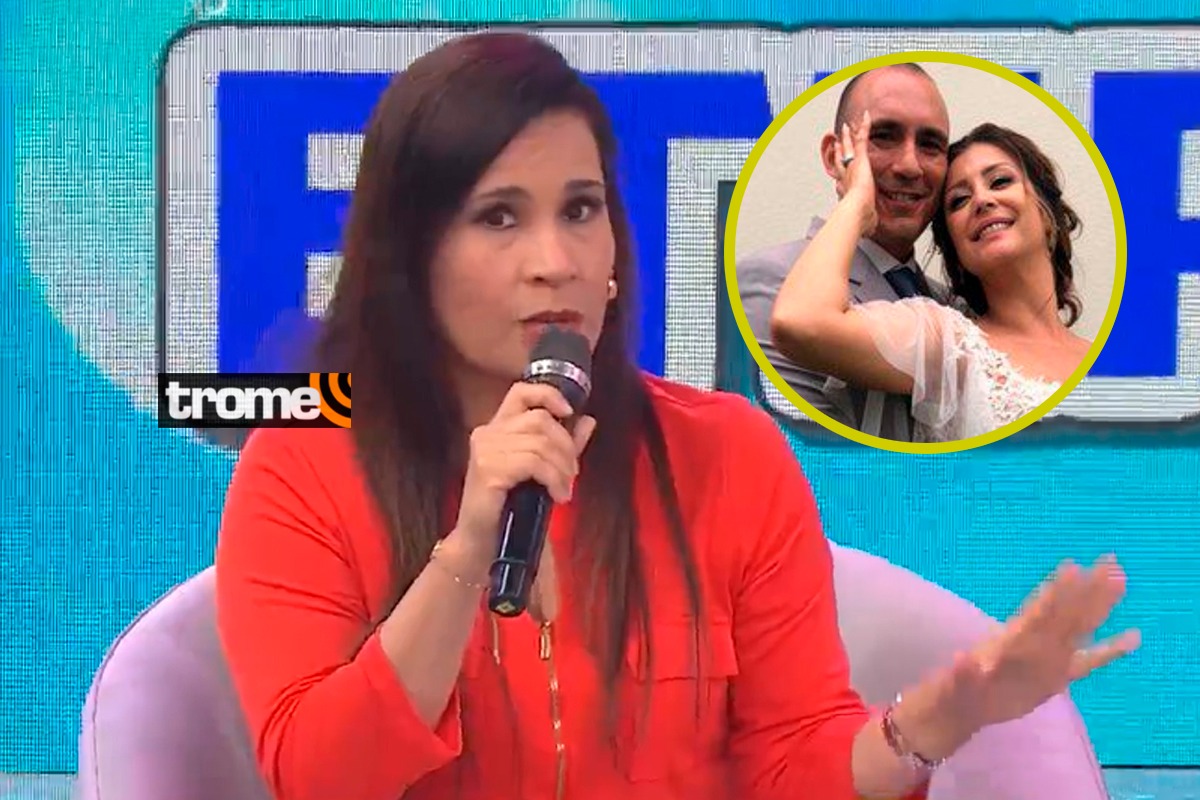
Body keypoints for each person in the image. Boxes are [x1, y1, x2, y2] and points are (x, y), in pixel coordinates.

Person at [214, 31, 1139, 800]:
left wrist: (930, 723)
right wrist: (465, 553)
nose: (555, 260)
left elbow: (794, 765)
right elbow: (318, 778)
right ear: (410, 259)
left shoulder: (726, 452)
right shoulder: (304, 463)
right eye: (499, 218)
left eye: (581, 210)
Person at [769, 107, 1091, 443]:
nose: (982, 200)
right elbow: (800, 322)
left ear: (1047, 214)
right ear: (956, 249)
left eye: (999, 181)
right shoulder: (947, 341)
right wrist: (857, 202)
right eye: (959, 201)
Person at [737, 63, 953, 442]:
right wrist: (856, 203)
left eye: (930, 145)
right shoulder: (774, 280)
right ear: (834, 155)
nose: (910, 166)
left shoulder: (953, 306)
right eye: (883, 137)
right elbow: (811, 450)